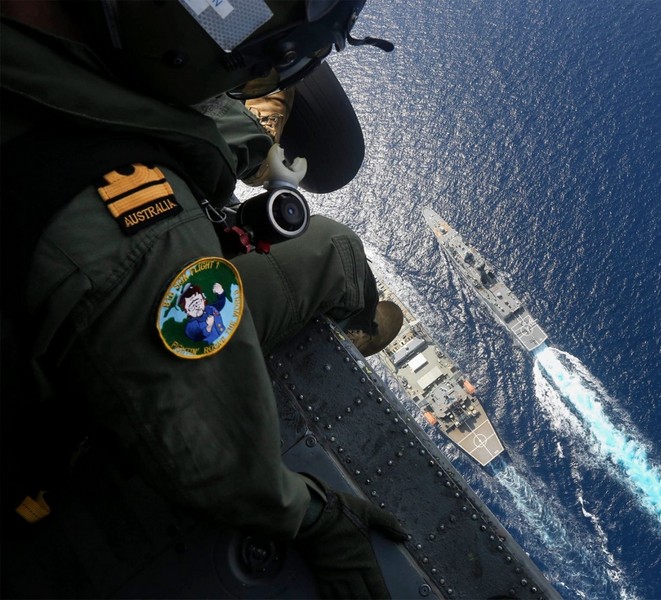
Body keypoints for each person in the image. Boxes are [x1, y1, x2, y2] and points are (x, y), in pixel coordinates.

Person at [0, 1, 405, 598]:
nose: (249, 72)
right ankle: (358, 323)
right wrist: (315, 517)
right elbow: (208, 452)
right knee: (334, 249)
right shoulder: (144, 235)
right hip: (55, 401)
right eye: (254, 61)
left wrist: (248, 144)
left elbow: (116, 93)